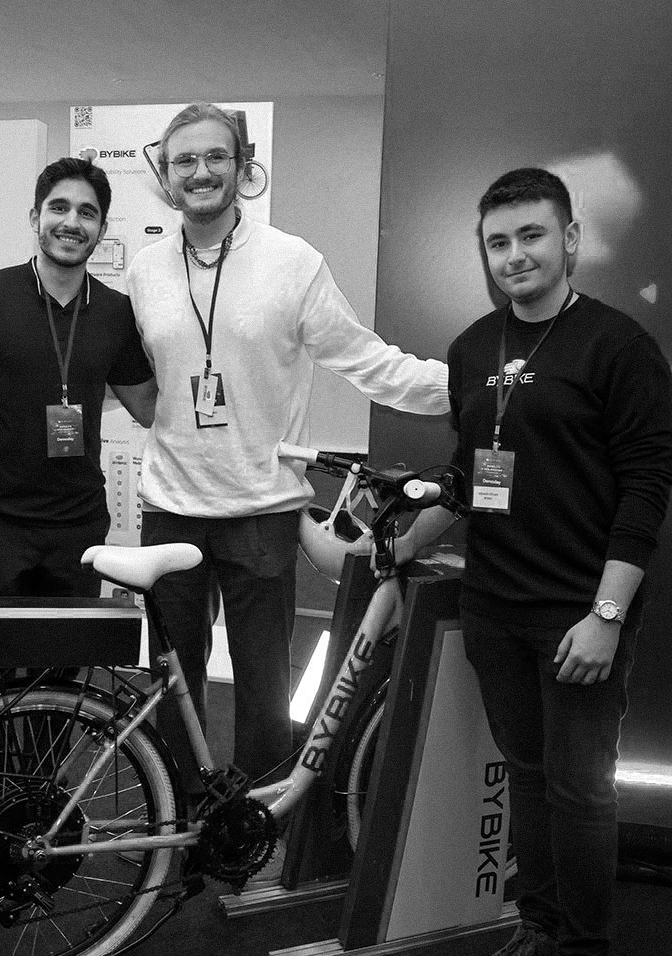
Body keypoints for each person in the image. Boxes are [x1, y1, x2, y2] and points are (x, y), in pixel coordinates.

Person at [394, 168, 672, 956]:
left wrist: (606, 614)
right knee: (525, 772)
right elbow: (473, 471)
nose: (515, 256)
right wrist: (405, 540)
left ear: (570, 240)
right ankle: (540, 926)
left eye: (531, 237)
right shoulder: (472, 347)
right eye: (498, 242)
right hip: (497, 608)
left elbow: (646, 486)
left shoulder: (617, 345)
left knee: (583, 789)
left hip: (581, 615)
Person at [124, 103, 449, 874]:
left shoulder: (291, 261)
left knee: (265, 694)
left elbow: (365, 359)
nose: (199, 173)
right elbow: (130, 380)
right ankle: (179, 831)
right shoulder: (142, 270)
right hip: (171, 507)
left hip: (262, 512)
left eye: (214, 157)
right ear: (165, 178)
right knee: (172, 692)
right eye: (183, 162)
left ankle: (252, 840)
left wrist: (466, 388)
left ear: (241, 164)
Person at [0, 157, 155, 600]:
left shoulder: (116, 312)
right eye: (58, 208)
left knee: (67, 666)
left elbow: (148, 409)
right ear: (36, 217)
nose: (72, 222)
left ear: (101, 229)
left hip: (80, 526)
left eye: (87, 213)